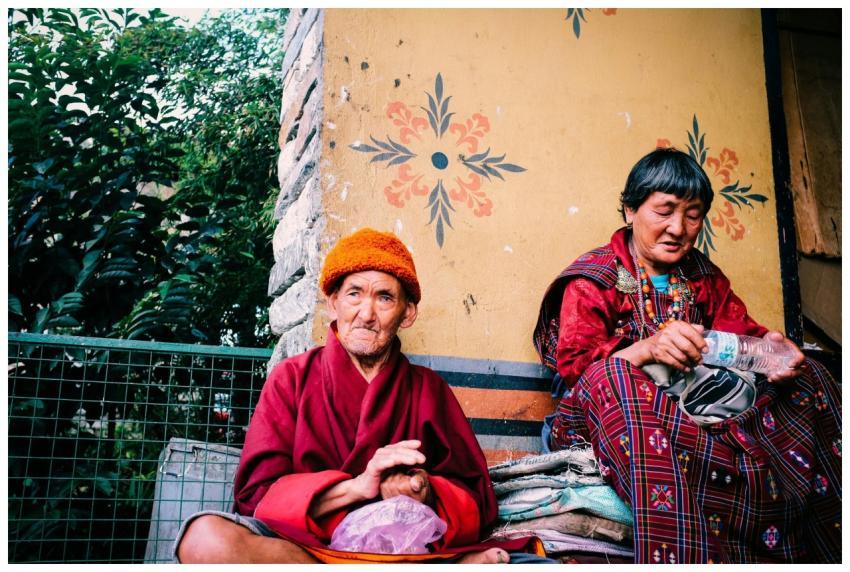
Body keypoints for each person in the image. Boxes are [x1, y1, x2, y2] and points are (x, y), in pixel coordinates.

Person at [533, 148, 841, 563]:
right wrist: (646, 349)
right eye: (664, 211)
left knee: (814, 375)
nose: (678, 228)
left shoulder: (702, 277)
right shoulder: (595, 277)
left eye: (693, 214)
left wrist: (776, 351)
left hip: (697, 416)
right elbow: (577, 371)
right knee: (615, 378)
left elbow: (743, 339)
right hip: (607, 416)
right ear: (629, 210)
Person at [175, 228, 544, 564]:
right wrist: (357, 487)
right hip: (309, 550)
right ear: (333, 303)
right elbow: (257, 497)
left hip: (405, 550)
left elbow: (477, 500)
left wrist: (423, 491)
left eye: (385, 298)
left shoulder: (428, 389)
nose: (366, 314)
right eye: (354, 294)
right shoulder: (292, 378)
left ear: (407, 313)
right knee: (205, 539)